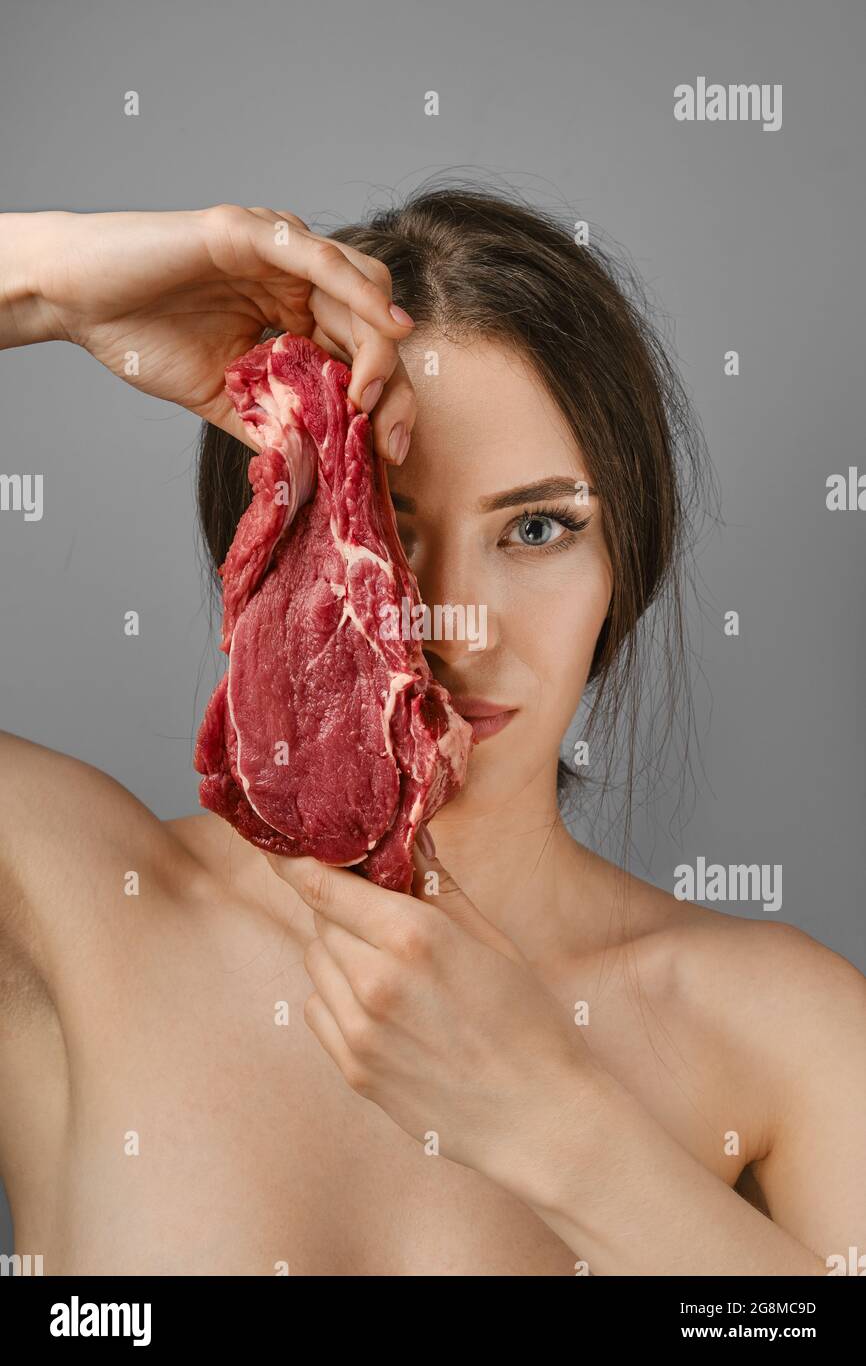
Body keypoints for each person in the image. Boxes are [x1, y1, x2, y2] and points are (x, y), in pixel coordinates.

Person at [1, 187, 863, 1276]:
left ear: (623, 566)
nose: (453, 617)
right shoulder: (67, 903)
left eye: (537, 528)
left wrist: (559, 1128)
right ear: (264, 554)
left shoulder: (784, 1026)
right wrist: (41, 279)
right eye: (385, 526)